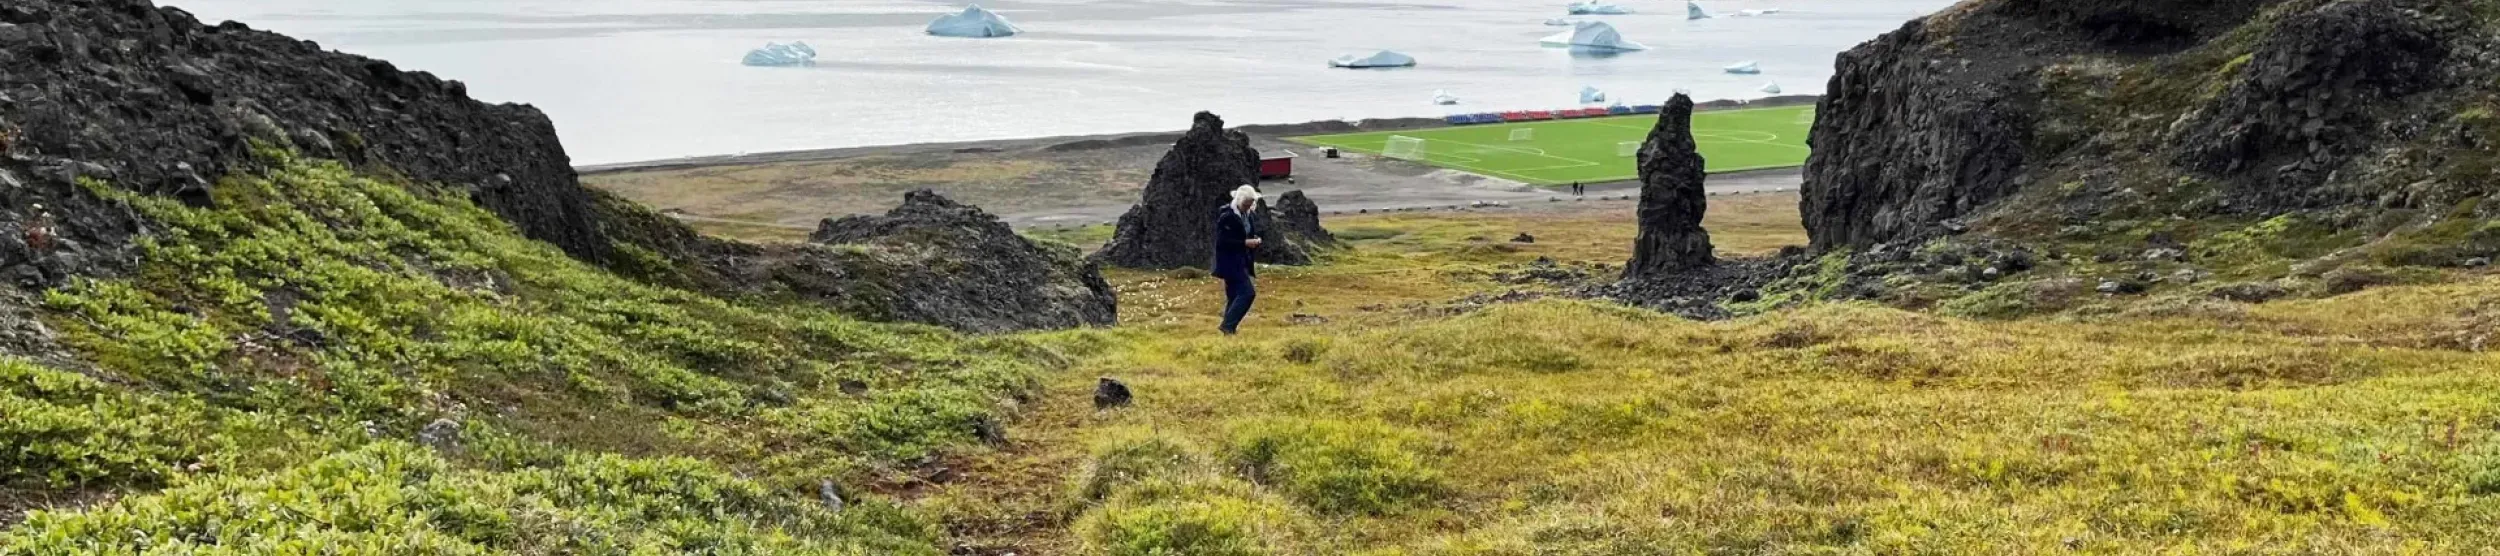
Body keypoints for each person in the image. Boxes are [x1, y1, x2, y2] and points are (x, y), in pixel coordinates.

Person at [1212, 185, 1265, 335]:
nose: (1247, 207)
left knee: (1234, 296)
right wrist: (1244, 243)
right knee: (1247, 293)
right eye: (1245, 204)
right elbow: (1222, 242)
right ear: (1238, 201)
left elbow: (1247, 232)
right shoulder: (1227, 216)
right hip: (1230, 263)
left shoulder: (1248, 214)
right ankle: (1228, 325)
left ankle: (1228, 330)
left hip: (1242, 261)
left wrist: (1255, 240)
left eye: (1250, 204)